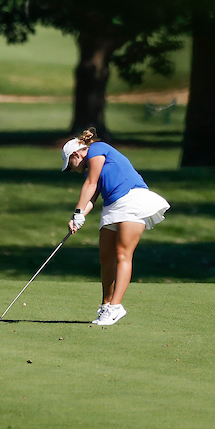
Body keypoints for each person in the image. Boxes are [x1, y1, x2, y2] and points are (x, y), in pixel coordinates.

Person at [61, 128, 170, 326]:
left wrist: (77, 212)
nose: (73, 169)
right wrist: (78, 218)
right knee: (106, 257)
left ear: (76, 154)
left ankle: (116, 307)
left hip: (133, 199)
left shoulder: (97, 149)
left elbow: (91, 184)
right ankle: (106, 305)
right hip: (112, 206)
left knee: (122, 254)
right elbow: (92, 197)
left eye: (70, 165)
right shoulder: (93, 166)